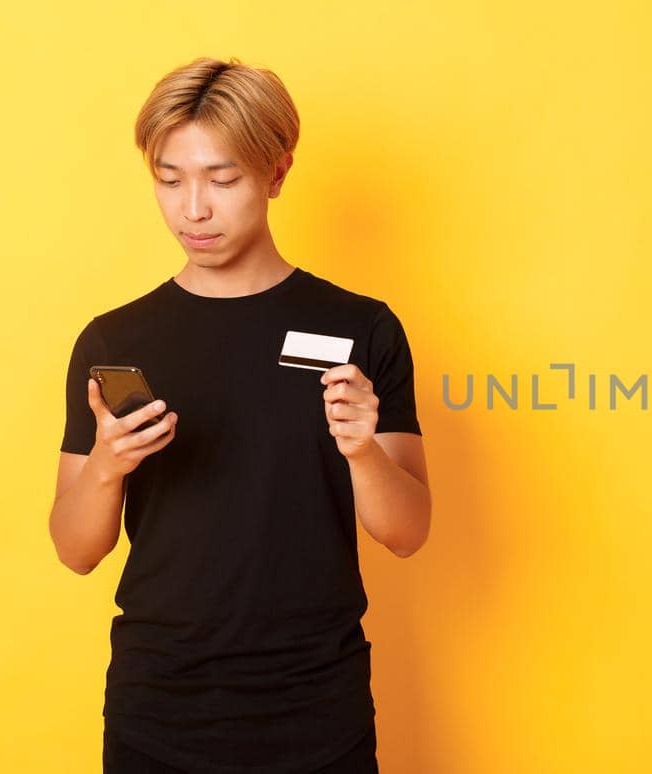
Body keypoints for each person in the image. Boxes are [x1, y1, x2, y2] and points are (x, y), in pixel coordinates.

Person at [46, 56, 431, 773]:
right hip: (158, 711)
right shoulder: (114, 342)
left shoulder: (361, 329)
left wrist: (361, 453)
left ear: (278, 174)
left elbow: (408, 533)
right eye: (170, 180)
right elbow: (76, 550)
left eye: (222, 180)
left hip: (319, 709)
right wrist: (108, 465)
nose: (193, 209)